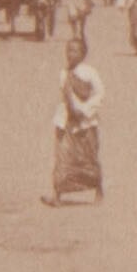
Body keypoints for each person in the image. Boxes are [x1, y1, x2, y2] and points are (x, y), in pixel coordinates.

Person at [46, 47, 108, 204]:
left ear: (83, 54)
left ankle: (98, 189)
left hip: (85, 122)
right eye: (68, 50)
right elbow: (65, 96)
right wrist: (70, 110)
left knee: (88, 157)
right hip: (66, 120)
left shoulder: (90, 72)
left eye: (74, 51)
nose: (70, 54)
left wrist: (85, 109)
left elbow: (100, 93)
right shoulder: (64, 73)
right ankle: (57, 194)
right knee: (62, 156)